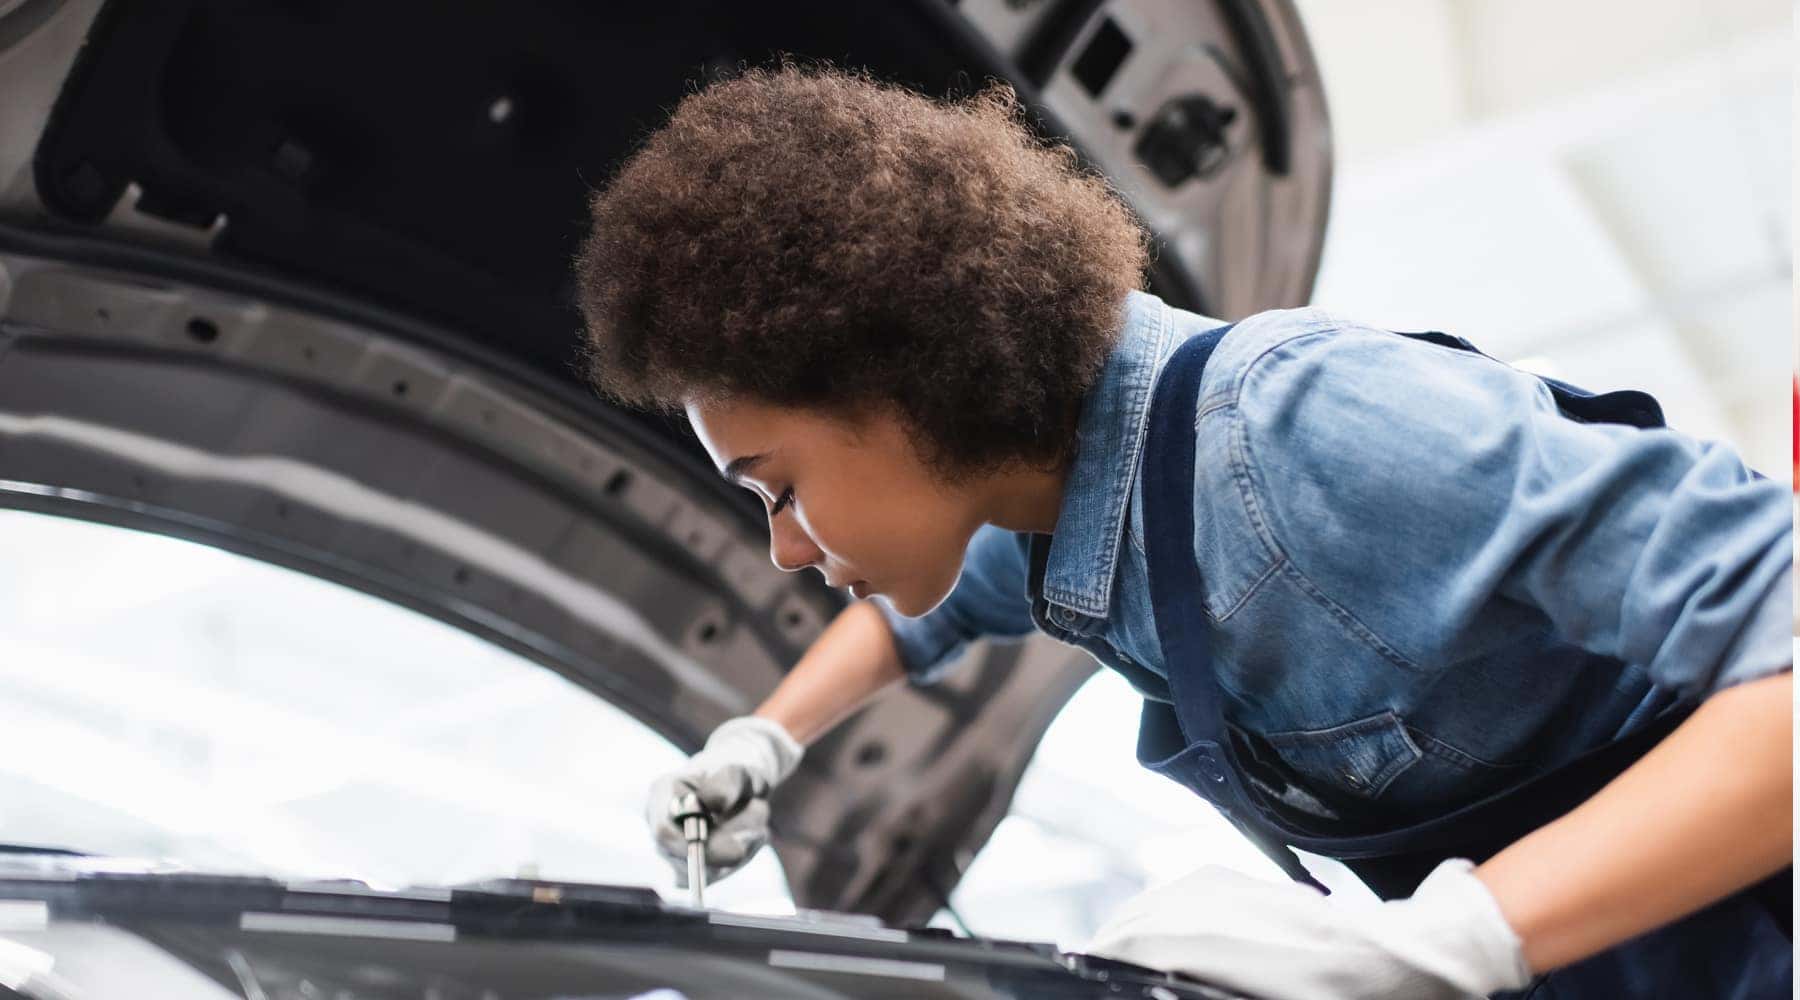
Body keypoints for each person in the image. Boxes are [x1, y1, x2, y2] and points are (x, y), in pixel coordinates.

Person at [574, 63, 1793, 999]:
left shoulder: (1298, 429)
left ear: (895, 388)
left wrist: (1451, 937)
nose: (785, 547)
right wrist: (760, 742)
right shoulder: (1048, 493)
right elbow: (921, 624)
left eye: (776, 487)